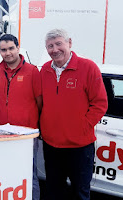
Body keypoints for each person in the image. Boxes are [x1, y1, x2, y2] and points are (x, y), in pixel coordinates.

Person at [40, 29, 108, 200]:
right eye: (50, 46)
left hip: (79, 147)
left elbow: (100, 103)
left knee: (80, 193)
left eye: (58, 44)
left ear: (69, 43)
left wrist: (82, 126)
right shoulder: (45, 70)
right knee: (54, 192)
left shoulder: (88, 67)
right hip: (51, 146)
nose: (54, 49)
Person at [0, 34, 42, 200]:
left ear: (18, 48)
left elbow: (39, 102)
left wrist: (33, 123)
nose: (8, 53)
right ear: (0, 51)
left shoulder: (32, 71)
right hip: (2, 132)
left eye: (11, 48)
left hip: (26, 135)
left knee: (29, 173)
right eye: (4, 50)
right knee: (5, 173)